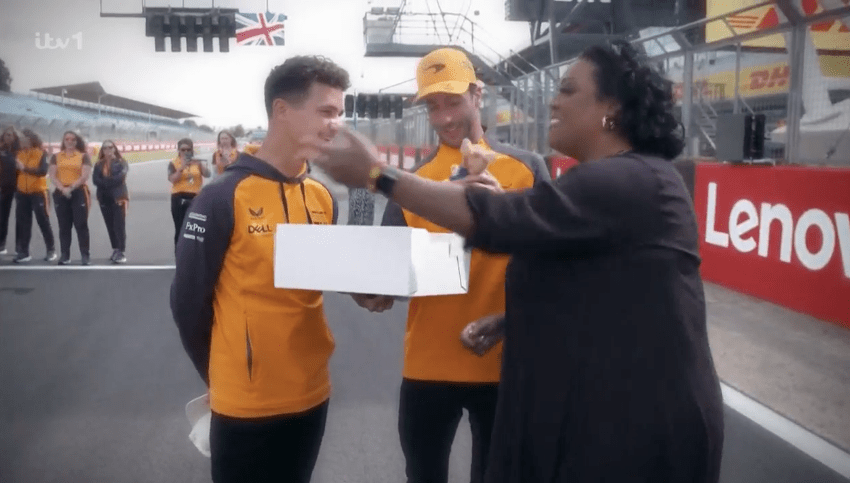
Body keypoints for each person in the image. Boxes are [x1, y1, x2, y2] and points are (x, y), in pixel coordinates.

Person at [308, 41, 724, 483]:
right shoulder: (621, 179)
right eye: (433, 105)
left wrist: (376, 175)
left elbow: (503, 221)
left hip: (635, 431)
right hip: (572, 404)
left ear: (612, 109)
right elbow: (581, 284)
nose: (552, 99)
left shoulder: (624, 180)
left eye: (567, 89)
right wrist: (511, 321)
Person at [353, 47, 549, 483]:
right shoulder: (413, 183)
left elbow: (553, 265)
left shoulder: (527, 169)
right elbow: (385, 276)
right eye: (432, 106)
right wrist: (368, 289)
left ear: (478, 95)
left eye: (453, 101)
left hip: (504, 364)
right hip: (427, 365)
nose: (443, 117)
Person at [171, 55, 349, 483]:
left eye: (340, 113)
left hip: (312, 393)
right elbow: (187, 303)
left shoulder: (324, 197)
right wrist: (227, 375)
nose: (336, 124)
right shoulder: (220, 198)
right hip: (244, 405)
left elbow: (318, 283)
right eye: (326, 111)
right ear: (281, 111)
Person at [48, 131, 92, 265]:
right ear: (63, 141)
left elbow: (84, 176)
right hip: (61, 193)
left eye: (73, 139)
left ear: (77, 141)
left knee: (81, 225)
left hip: (78, 192)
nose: (70, 141)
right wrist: (63, 189)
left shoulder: (83, 156)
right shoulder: (56, 157)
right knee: (64, 226)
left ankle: (85, 255)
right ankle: (65, 255)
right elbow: (52, 176)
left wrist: (71, 188)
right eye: (67, 139)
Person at [13, 129, 56, 263]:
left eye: (23, 139)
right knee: (23, 223)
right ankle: (24, 252)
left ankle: (51, 250)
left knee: (43, 221)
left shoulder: (41, 154)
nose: (20, 141)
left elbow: (42, 171)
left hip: (38, 192)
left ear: (30, 139)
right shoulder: (18, 154)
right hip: (22, 193)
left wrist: (24, 168)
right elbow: (16, 174)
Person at [92, 140, 129, 264]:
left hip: (119, 197)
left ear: (114, 149)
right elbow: (95, 180)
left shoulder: (122, 163)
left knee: (119, 224)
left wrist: (106, 182)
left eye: (110, 147)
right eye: (105, 148)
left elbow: (120, 178)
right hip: (104, 197)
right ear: (102, 150)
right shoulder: (98, 164)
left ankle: (121, 251)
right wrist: (106, 183)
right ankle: (115, 248)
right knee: (110, 225)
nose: (108, 150)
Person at [167, 138, 210, 246]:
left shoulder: (197, 162)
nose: (186, 152)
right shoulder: (173, 163)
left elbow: (208, 174)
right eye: (183, 150)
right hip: (179, 197)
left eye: (188, 149)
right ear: (178, 150)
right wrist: (181, 168)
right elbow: (172, 179)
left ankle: (194, 255)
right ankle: (179, 256)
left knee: (196, 229)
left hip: (195, 197)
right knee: (180, 228)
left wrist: (201, 165)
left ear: (192, 150)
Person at [0, 126, 20, 255]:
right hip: (4, 188)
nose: (8, 137)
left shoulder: (20, 151)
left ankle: (21, 247)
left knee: (21, 218)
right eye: (6, 135)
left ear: (15, 137)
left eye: (11, 135)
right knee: (2, 217)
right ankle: (1, 244)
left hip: (20, 188)